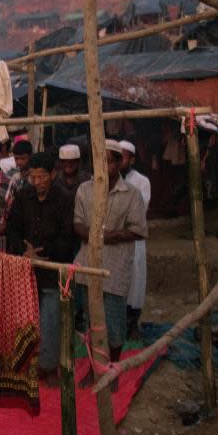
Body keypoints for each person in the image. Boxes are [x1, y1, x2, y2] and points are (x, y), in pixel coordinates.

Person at [73, 140, 148, 390]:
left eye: (109, 161)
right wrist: (92, 235)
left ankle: (112, 370)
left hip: (115, 268)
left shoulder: (132, 194)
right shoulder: (85, 189)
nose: (103, 166)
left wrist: (105, 236)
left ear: (118, 164)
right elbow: (79, 224)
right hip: (87, 266)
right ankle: (95, 369)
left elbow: (137, 230)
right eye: (99, 161)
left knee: (114, 323)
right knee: (92, 322)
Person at [6, 151, 77, 385]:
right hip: (26, 269)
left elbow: (68, 238)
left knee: (51, 319)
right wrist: (24, 251)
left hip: (51, 270)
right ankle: (29, 362)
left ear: (52, 174)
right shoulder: (23, 195)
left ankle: (49, 367)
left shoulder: (65, 198)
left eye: (41, 177)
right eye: (32, 177)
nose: (35, 182)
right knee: (26, 321)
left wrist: (41, 252)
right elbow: (12, 229)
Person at [119, 140, 152, 339]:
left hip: (134, 239)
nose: (119, 161)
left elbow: (139, 211)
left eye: (123, 157)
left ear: (131, 159)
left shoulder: (142, 181)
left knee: (135, 280)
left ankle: (132, 324)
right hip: (114, 240)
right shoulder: (108, 179)